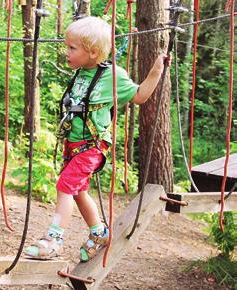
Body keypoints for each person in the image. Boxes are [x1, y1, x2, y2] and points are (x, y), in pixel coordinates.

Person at [24, 16, 168, 262]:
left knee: (64, 186)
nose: (66, 51)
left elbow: (140, 95)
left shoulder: (112, 76)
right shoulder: (81, 72)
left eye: (72, 48)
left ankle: (54, 239)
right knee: (78, 191)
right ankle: (99, 232)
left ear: (92, 53)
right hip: (75, 146)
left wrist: (156, 69)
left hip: (92, 148)